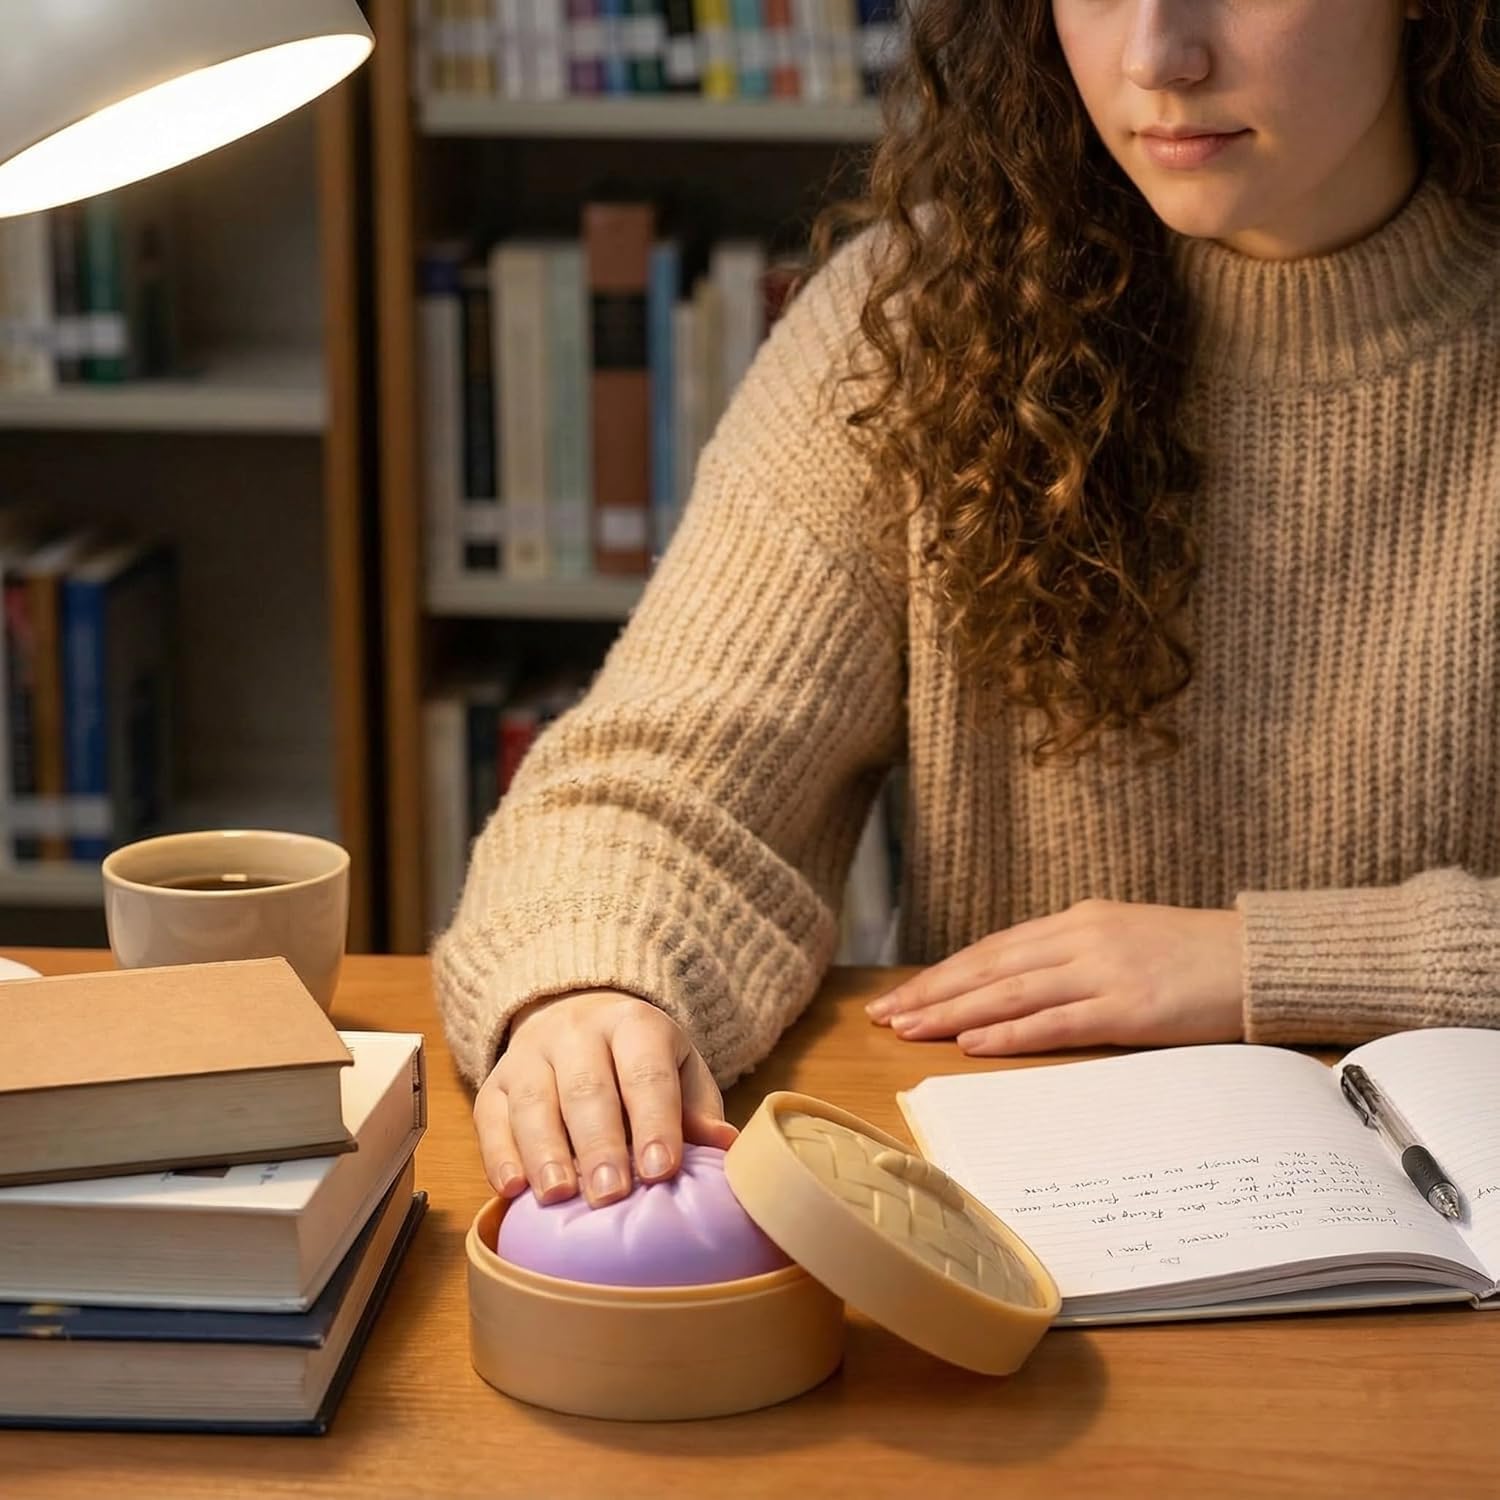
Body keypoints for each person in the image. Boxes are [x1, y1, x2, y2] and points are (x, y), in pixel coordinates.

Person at [433, 0, 1500, 1214]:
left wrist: (1273, 963)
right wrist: (594, 983)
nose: (1159, 55)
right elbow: (664, 779)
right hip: (1028, 1246)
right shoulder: (921, 318)